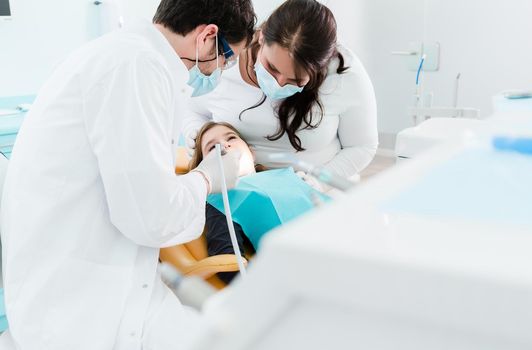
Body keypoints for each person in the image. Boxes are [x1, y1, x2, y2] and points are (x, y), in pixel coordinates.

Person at [0, 1, 256, 349]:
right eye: (226, 59)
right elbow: (151, 217)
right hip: (78, 304)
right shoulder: (136, 67)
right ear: (208, 36)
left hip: (114, 283)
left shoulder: (130, 58)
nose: (220, 70)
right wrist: (208, 178)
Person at [182, 0, 379, 190]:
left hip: (315, 200)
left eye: (296, 80)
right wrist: (195, 132)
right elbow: (194, 109)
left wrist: (319, 182)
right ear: (261, 37)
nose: (279, 82)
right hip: (238, 195)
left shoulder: (343, 75)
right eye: (272, 68)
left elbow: (362, 147)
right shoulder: (227, 61)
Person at [189, 121, 327, 284]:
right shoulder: (220, 200)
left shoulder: (289, 175)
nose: (224, 146)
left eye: (231, 138)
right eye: (212, 147)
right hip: (309, 270)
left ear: (251, 152)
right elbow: (228, 264)